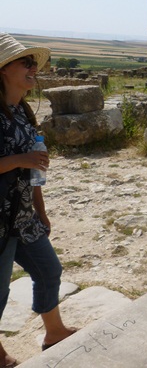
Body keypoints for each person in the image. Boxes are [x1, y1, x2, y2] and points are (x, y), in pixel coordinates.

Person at [0, 33, 76, 367]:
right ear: (3, 69)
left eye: (34, 63)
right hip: (0, 221)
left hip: (24, 216)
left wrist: (41, 211)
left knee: (49, 270)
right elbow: (26, 161)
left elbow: (36, 168)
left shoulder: (23, 113)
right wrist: (20, 160)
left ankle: (54, 331)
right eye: (25, 62)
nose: (33, 68)